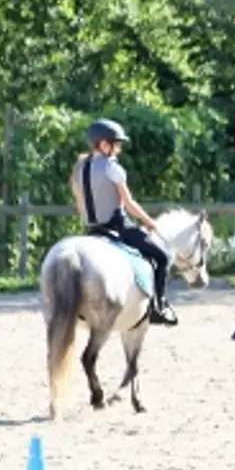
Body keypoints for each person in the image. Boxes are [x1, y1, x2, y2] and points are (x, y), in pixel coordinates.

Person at [70, 119, 178, 325]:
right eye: (116, 144)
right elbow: (128, 203)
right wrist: (148, 221)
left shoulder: (80, 168)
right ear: (103, 145)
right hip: (118, 226)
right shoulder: (112, 167)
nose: (118, 150)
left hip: (92, 230)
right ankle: (159, 306)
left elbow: (81, 206)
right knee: (163, 257)